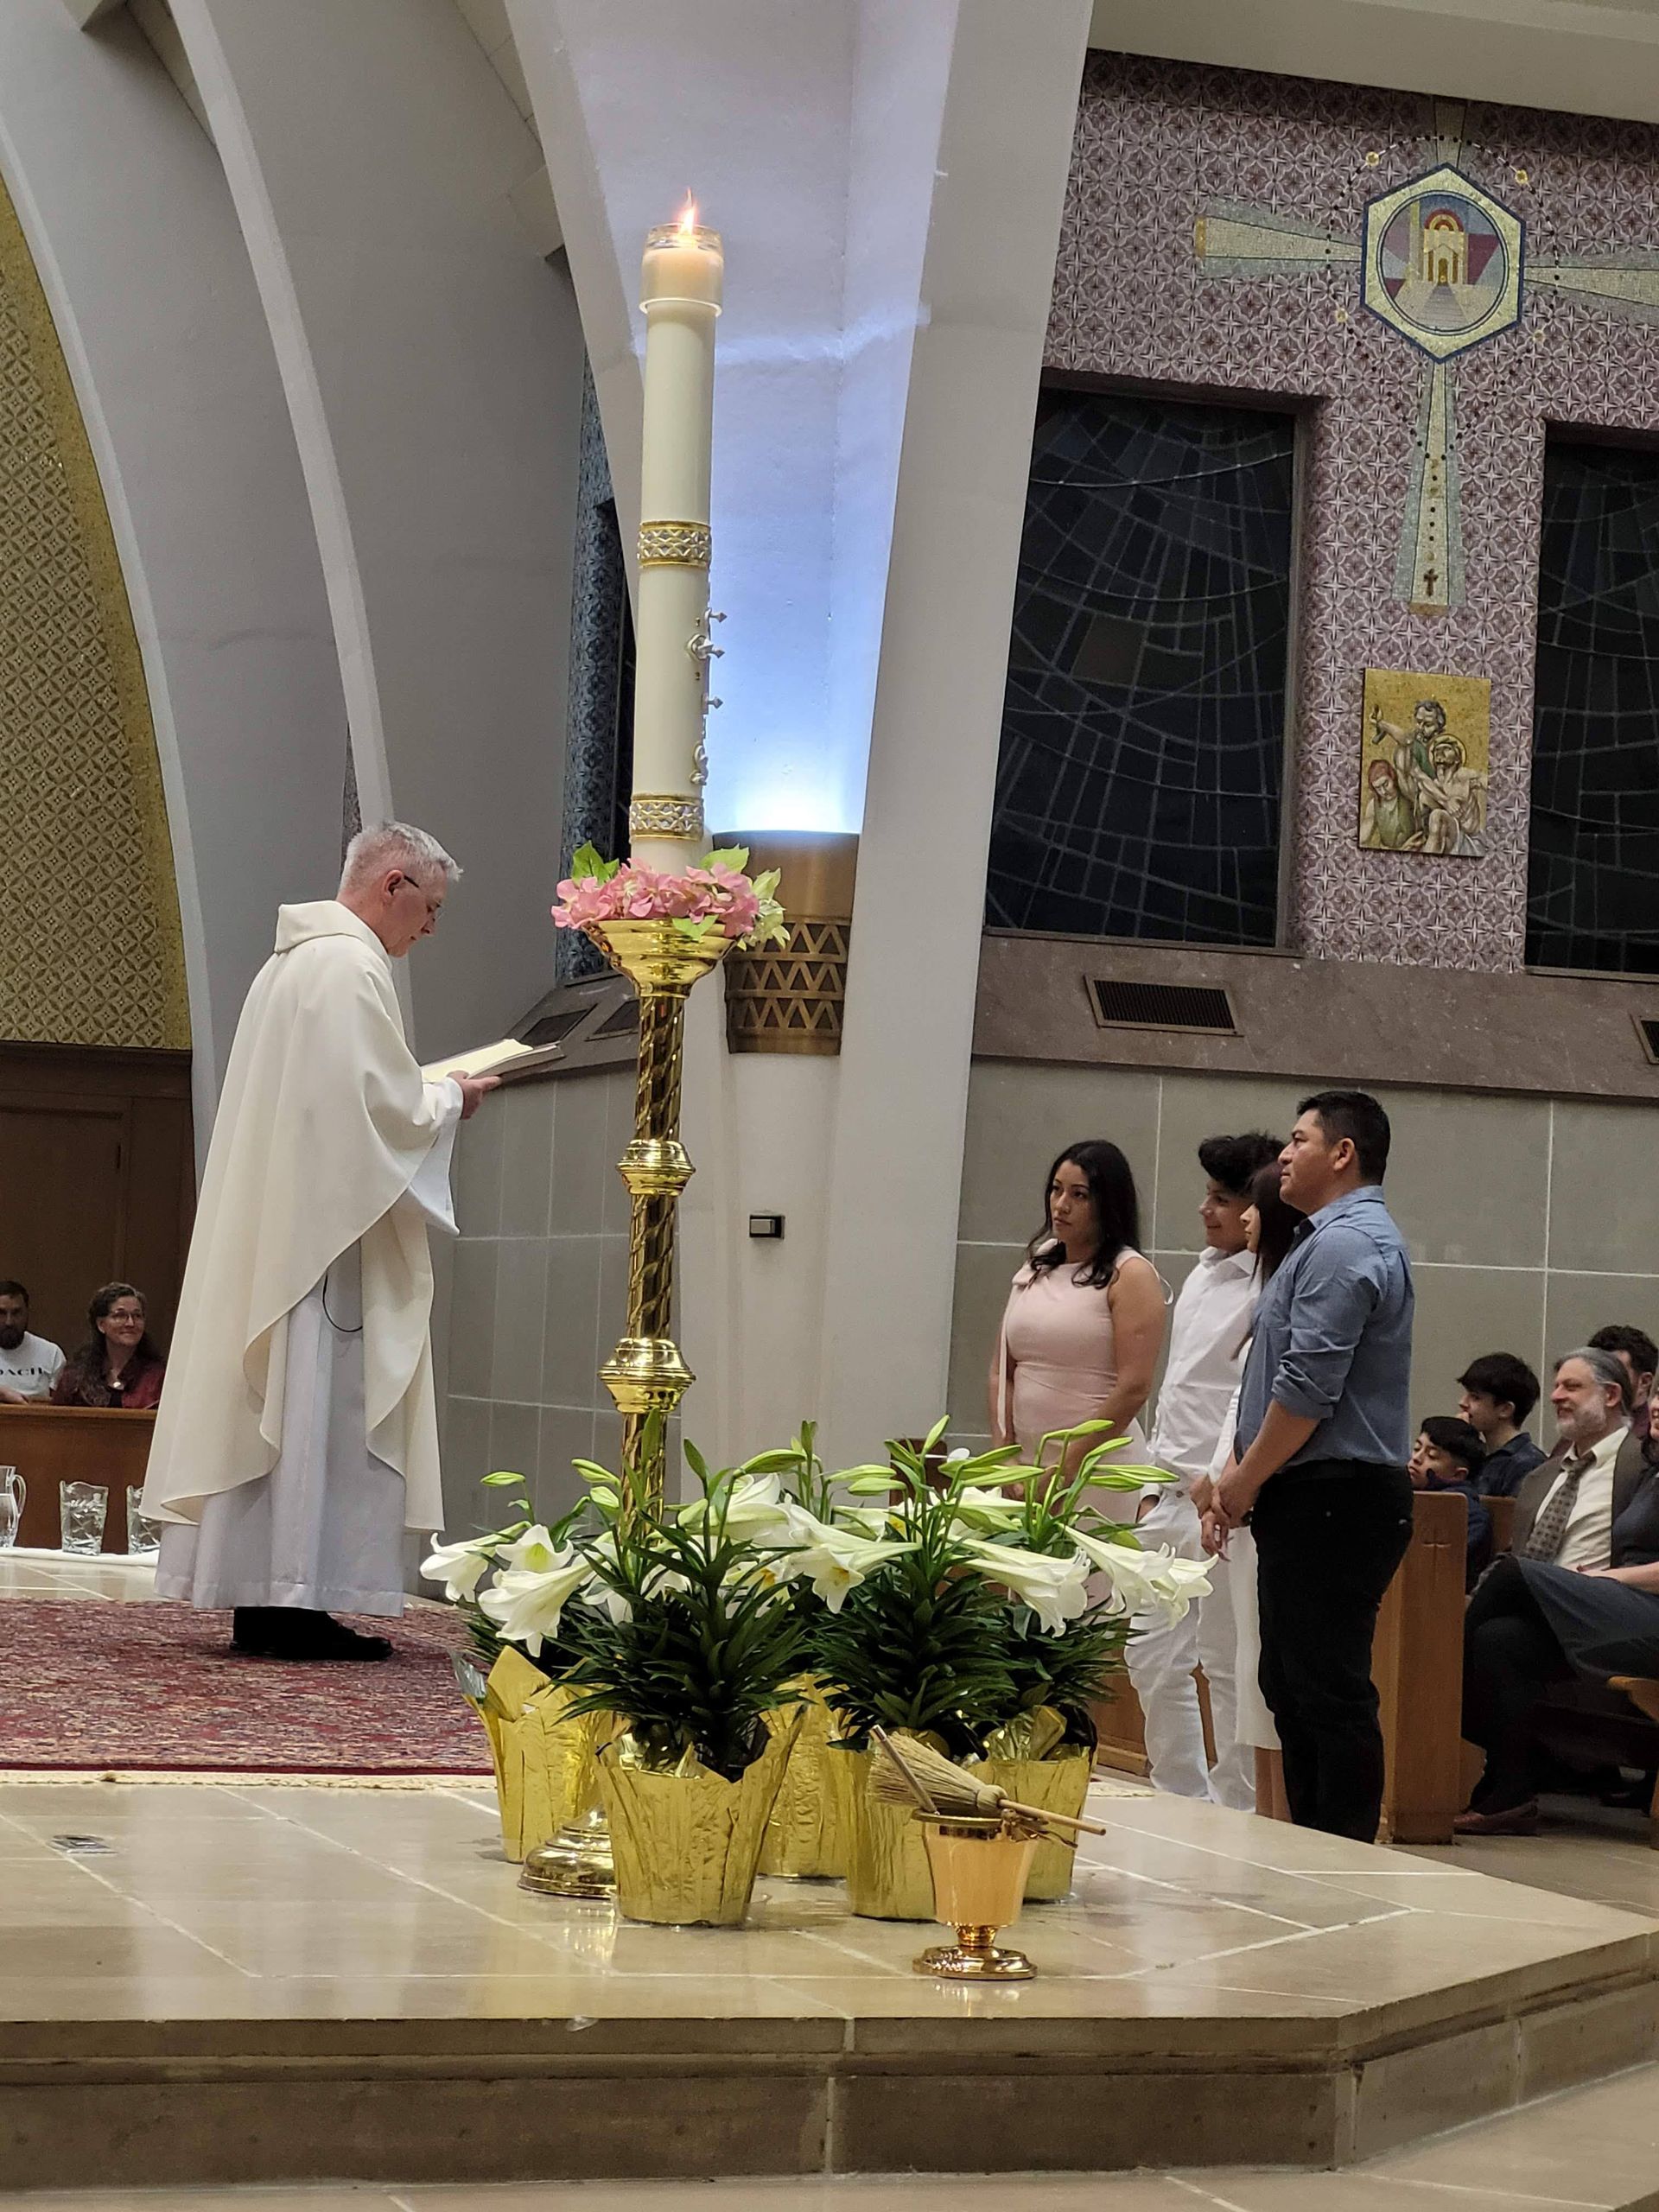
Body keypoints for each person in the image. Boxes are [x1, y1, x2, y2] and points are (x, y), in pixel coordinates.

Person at [143, 823, 498, 1662]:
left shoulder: (292, 965)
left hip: (293, 1225)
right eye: (430, 908)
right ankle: (292, 1598)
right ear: (393, 884)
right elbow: (376, 1108)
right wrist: (451, 1098)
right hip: (321, 1248)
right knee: (316, 1407)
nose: (430, 929)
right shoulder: (347, 967)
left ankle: (268, 1597)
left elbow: (341, 1099)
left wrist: (423, 1096)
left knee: (284, 1410)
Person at [1210, 1090, 1414, 1841]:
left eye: (1299, 1140)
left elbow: (1306, 1389)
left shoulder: (1344, 1245)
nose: (1284, 1155)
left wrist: (1243, 1480)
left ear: (1343, 1153)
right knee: (1291, 1684)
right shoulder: (1324, 1240)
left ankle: (1341, 1861)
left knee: (1326, 1688)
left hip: (1336, 1493)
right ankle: (1310, 1851)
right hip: (1316, 1491)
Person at [1127, 1131, 1280, 1808]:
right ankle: (1178, 1794)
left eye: (1222, 1199)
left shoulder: (1270, 1281)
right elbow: (1178, 1390)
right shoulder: (1198, 1275)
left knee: (1224, 1661)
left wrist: (1220, 1482)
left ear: (1256, 1207)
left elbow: (1248, 1397)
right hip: (1167, 1493)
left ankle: (1236, 1804)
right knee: (1151, 1656)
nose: (1207, 1209)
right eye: (1209, 1195)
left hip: (1222, 1500)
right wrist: (1150, 1483)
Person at [1458, 1347, 1659, 1836]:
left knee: (1511, 1575)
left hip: (1620, 1613)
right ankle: (1510, 1792)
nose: (1555, 1397)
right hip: (1563, 1611)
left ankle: (1434, 1682)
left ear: (1611, 1396)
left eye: (1571, 1386)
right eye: (1556, 1386)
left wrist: (1611, 1578)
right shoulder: (1544, 1475)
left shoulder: (1637, 1464)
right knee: (1499, 1641)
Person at [1198, 1159, 1303, 1821]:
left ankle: (1279, 1818)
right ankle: (1262, 1813)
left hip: (1274, 1497)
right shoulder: (1263, 1293)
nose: (1246, 1217)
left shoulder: (1289, 1292)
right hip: (1242, 1492)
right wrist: (1220, 1480)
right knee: (1243, 1660)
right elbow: (1243, 1404)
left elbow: (1278, 1404)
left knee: (1267, 1661)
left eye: (1256, 1206)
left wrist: (1234, 1483)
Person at [988, 1140, 1165, 1468]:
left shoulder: (1130, 1274)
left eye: (1079, 1195)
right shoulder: (1040, 1262)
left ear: (1108, 1204)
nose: (1061, 1205)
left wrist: (1067, 1467)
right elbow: (1002, 1370)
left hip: (1096, 1467)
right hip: (1025, 1465)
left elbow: (1134, 1387)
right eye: (1056, 1190)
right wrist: (1004, 1455)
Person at [1408, 1415, 1492, 1590]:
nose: (1416, 1458)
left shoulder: (1470, 1515)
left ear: (1458, 1475)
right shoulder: (1405, 1495)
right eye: (1416, 1448)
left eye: (1432, 1456)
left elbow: (1442, 1567)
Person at [50, 1284, 165, 1409]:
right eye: (120, 1315)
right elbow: (57, 1418)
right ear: (101, 1325)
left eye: (137, 1316)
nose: (131, 1323)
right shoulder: (75, 1377)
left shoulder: (159, 1377)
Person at [1457, 1352, 1547, 1497]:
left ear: (1505, 1409)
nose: (1462, 1402)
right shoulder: (1477, 1454)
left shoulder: (1527, 1464)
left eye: (1475, 1397)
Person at [1588, 1324, 1657, 1467]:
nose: (1598, 1382)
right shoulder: (1578, 1431)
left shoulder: (1650, 1445)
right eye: (1593, 1374)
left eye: (1611, 1373)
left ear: (1644, 1382)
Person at [0, 1282, 65, 1403]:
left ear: (27, 1313)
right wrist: (3, 1394)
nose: (9, 1322)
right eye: (1, 1313)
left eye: (16, 1313)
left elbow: (60, 1406)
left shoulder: (51, 1353)